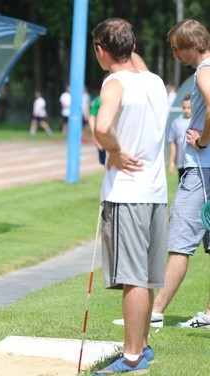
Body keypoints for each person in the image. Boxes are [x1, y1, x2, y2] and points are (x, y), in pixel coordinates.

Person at [113, 19, 210, 331]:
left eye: (176, 49)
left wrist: (204, 139)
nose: (175, 56)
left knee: (179, 241)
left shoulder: (204, 71)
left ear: (190, 45)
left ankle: (153, 312)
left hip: (202, 170)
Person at [91, 18, 169, 374]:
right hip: (155, 192)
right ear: (132, 46)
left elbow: (102, 127)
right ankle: (143, 349)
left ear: (101, 51)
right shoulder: (153, 81)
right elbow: (131, 59)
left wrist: (116, 152)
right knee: (149, 276)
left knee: (132, 277)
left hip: (127, 193)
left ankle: (132, 357)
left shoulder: (114, 83)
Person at [167, 94, 192, 182]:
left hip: (194, 163)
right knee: (182, 186)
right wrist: (171, 162)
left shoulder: (196, 122)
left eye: (189, 107)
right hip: (181, 163)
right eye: (184, 107)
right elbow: (173, 143)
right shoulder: (176, 122)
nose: (186, 110)